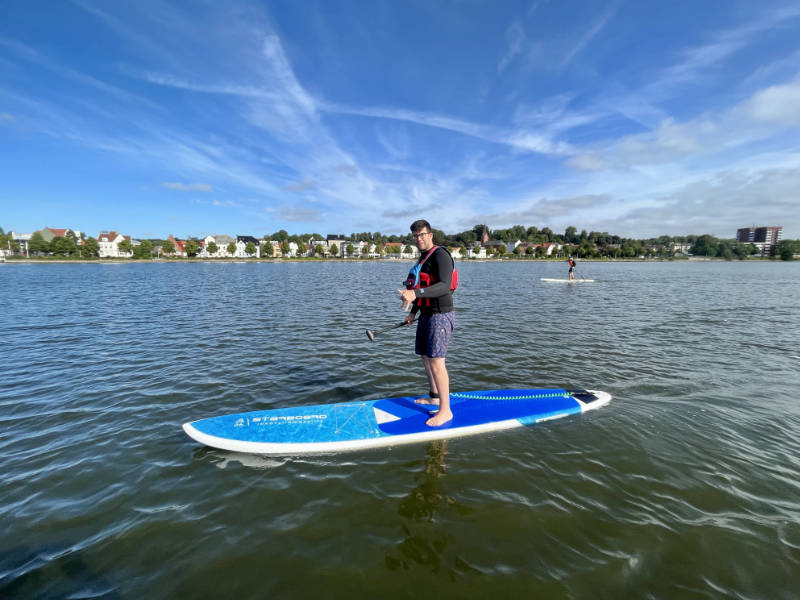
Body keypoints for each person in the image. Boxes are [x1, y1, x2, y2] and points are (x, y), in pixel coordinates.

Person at [397, 220, 455, 427]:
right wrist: (413, 312)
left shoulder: (440, 255)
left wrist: (414, 293)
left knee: (437, 362)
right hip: (426, 314)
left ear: (430, 235)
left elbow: (444, 286)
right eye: (415, 236)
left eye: (422, 234)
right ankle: (435, 396)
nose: (419, 239)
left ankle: (445, 411)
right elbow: (420, 288)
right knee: (425, 357)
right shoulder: (423, 258)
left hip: (440, 314)